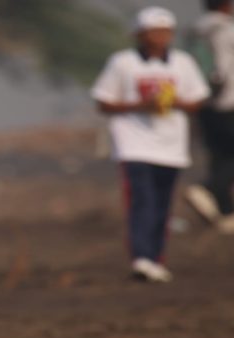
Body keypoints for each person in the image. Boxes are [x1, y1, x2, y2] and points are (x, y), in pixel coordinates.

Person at [91, 7, 210, 282]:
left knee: (162, 205)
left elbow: (197, 100)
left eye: (165, 31)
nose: (160, 37)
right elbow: (103, 101)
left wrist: (171, 102)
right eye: (154, 31)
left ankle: (156, 258)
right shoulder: (122, 62)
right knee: (141, 201)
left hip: (171, 147)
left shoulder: (182, 63)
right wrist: (142, 105)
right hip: (134, 144)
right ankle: (142, 258)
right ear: (140, 34)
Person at [186, 0, 234, 233]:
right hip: (228, 102)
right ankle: (207, 189)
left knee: (220, 156)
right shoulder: (227, 29)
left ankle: (224, 211)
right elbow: (224, 69)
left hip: (203, 102)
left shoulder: (196, 29)